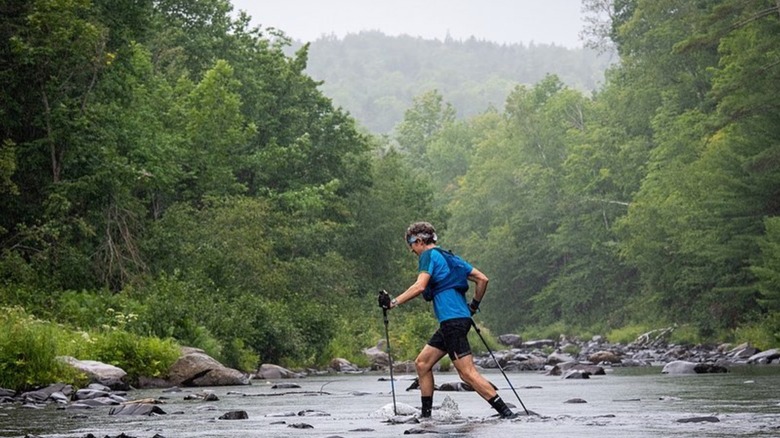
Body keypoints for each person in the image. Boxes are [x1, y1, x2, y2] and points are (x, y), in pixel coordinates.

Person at [378, 221, 517, 419]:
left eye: (411, 245)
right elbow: (482, 279)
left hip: (453, 322)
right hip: (455, 320)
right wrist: (474, 306)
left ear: (418, 240)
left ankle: (507, 413)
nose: (411, 250)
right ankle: (426, 417)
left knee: (466, 373)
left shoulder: (428, 255)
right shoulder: (451, 258)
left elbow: (419, 287)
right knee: (422, 363)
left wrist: (392, 303)